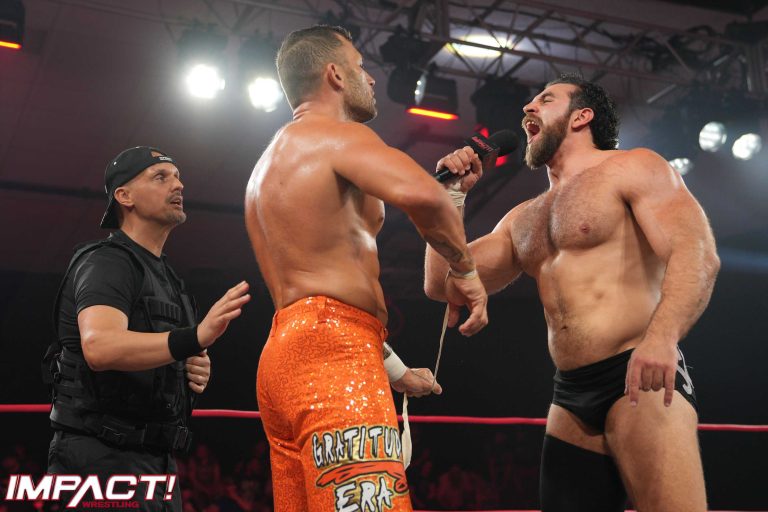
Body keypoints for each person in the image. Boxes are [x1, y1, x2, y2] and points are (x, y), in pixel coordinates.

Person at [424, 74, 720, 512]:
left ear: (582, 117)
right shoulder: (522, 218)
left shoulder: (633, 167)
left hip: (638, 371)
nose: (528, 107)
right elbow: (442, 284)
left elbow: (697, 254)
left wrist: (662, 337)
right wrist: (446, 199)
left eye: (545, 99)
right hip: (571, 394)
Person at [245, 25, 489, 512]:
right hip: (334, 356)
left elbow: (317, 303)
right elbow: (424, 198)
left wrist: (394, 371)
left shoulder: (263, 170)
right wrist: (466, 271)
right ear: (335, 75)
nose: (372, 78)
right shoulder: (338, 137)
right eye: (360, 66)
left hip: (284, 358)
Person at [44, 146, 251, 511]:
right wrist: (195, 337)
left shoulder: (169, 279)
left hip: (158, 463)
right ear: (124, 196)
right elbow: (100, 347)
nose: (178, 185)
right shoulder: (107, 262)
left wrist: (192, 366)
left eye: (178, 177)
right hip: (99, 460)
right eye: (160, 177)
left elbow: (170, 351)